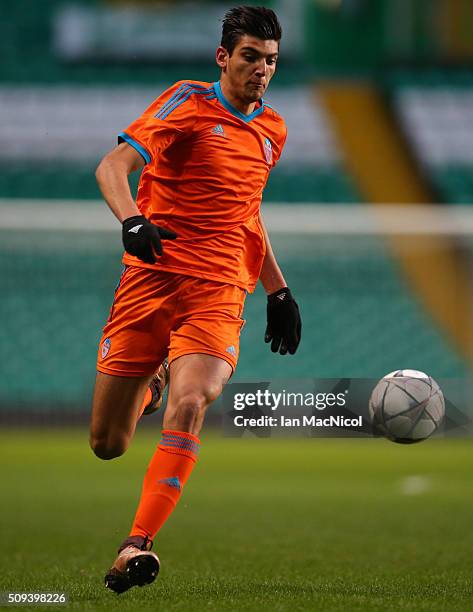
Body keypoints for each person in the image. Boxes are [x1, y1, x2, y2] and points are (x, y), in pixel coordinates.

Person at [90, 5, 302, 594]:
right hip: (151, 279)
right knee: (108, 444)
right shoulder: (186, 100)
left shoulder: (273, 130)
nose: (262, 69)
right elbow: (112, 167)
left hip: (218, 287)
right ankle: (150, 385)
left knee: (194, 402)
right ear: (224, 58)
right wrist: (132, 221)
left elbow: (246, 214)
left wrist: (277, 288)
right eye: (251, 57)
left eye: (271, 61)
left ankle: (135, 545)